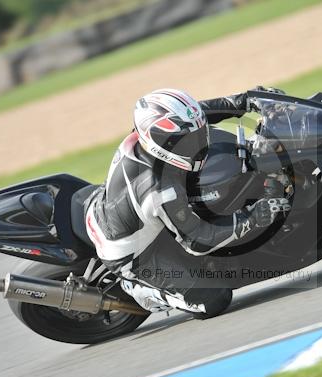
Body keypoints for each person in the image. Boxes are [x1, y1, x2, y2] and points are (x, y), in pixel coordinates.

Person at [84, 88, 288, 317]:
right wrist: (251, 218)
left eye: (198, 135)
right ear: (164, 142)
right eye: (189, 141)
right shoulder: (159, 189)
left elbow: (196, 117)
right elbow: (199, 240)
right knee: (214, 300)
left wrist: (244, 101)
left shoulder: (149, 137)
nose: (199, 142)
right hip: (136, 256)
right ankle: (139, 288)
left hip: (125, 212)